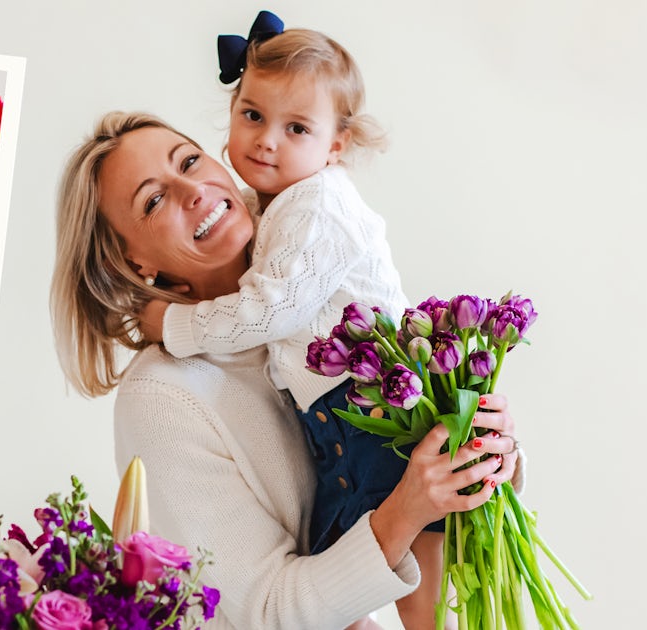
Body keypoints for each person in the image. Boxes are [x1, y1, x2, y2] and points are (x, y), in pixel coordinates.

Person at [52, 112, 523, 629]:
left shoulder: (314, 281)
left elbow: (388, 470)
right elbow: (268, 611)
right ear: (132, 260)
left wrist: (478, 456)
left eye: (189, 160)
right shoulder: (162, 397)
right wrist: (409, 508)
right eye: (154, 199)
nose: (193, 189)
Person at [133, 12, 448, 627]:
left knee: (414, 545)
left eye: (296, 127)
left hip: (371, 402)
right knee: (342, 562)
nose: (266, 140)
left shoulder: (318, 206)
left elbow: (270, 309)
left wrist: (173, 324)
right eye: (252, 115)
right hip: (335, 410)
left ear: (336, 146)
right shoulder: (279, 204)